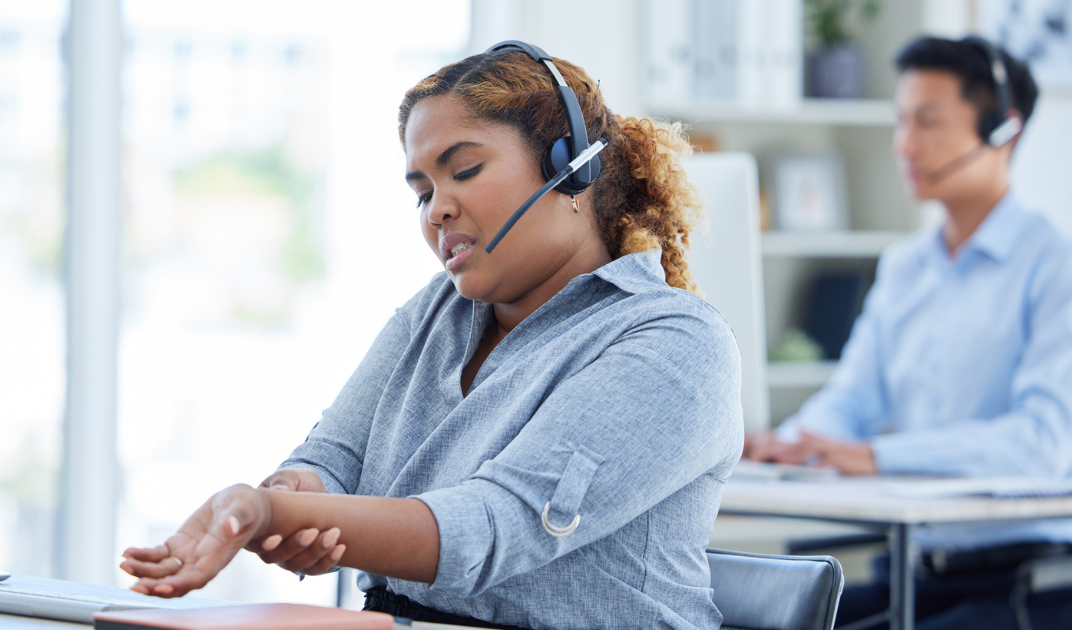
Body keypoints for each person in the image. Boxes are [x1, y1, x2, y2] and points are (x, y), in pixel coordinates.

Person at [121, 42, 743, 630]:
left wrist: (280, 512)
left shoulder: (675, 341)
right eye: (422, 192)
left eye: (464, 170)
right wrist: (289, 499)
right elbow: (334, 461)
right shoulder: (436, 313)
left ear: (570, 170)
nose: (436, 210)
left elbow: (493, 526)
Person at [746, 36, 1072, 629]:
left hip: (1024, 585)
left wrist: (875, 456)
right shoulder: (905, 266)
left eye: (928, 122)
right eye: (901, 121)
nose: (905, 145)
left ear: (1004, 130)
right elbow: (853, 400)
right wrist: (788, 446)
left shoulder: (1056, 266)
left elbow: (1040, 446)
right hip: (913, 569)